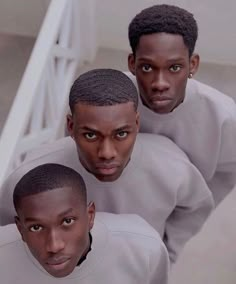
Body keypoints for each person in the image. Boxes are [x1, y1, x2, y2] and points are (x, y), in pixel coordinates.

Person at [0, 69, 213, 263]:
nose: (107, 153)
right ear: (71, 127)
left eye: (121, 134)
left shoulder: (173, 167)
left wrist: (168, 252)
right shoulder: (28, 178)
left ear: (137, 123)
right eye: (91, 135)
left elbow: (195, 207)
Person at [126, 4, 236, 205]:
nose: (160, 83)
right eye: (147, 67)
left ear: (192, 64)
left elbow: (226, 174)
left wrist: (181, 225)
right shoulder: (108, 97)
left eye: (174, 67)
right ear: (132, 63)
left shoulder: (224, 117)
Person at [0, 163, 169, 283]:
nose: (54, 246)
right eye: (36, 227)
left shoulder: (143, 247)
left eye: (67, 221)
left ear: (90, 216)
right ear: (20, 229)